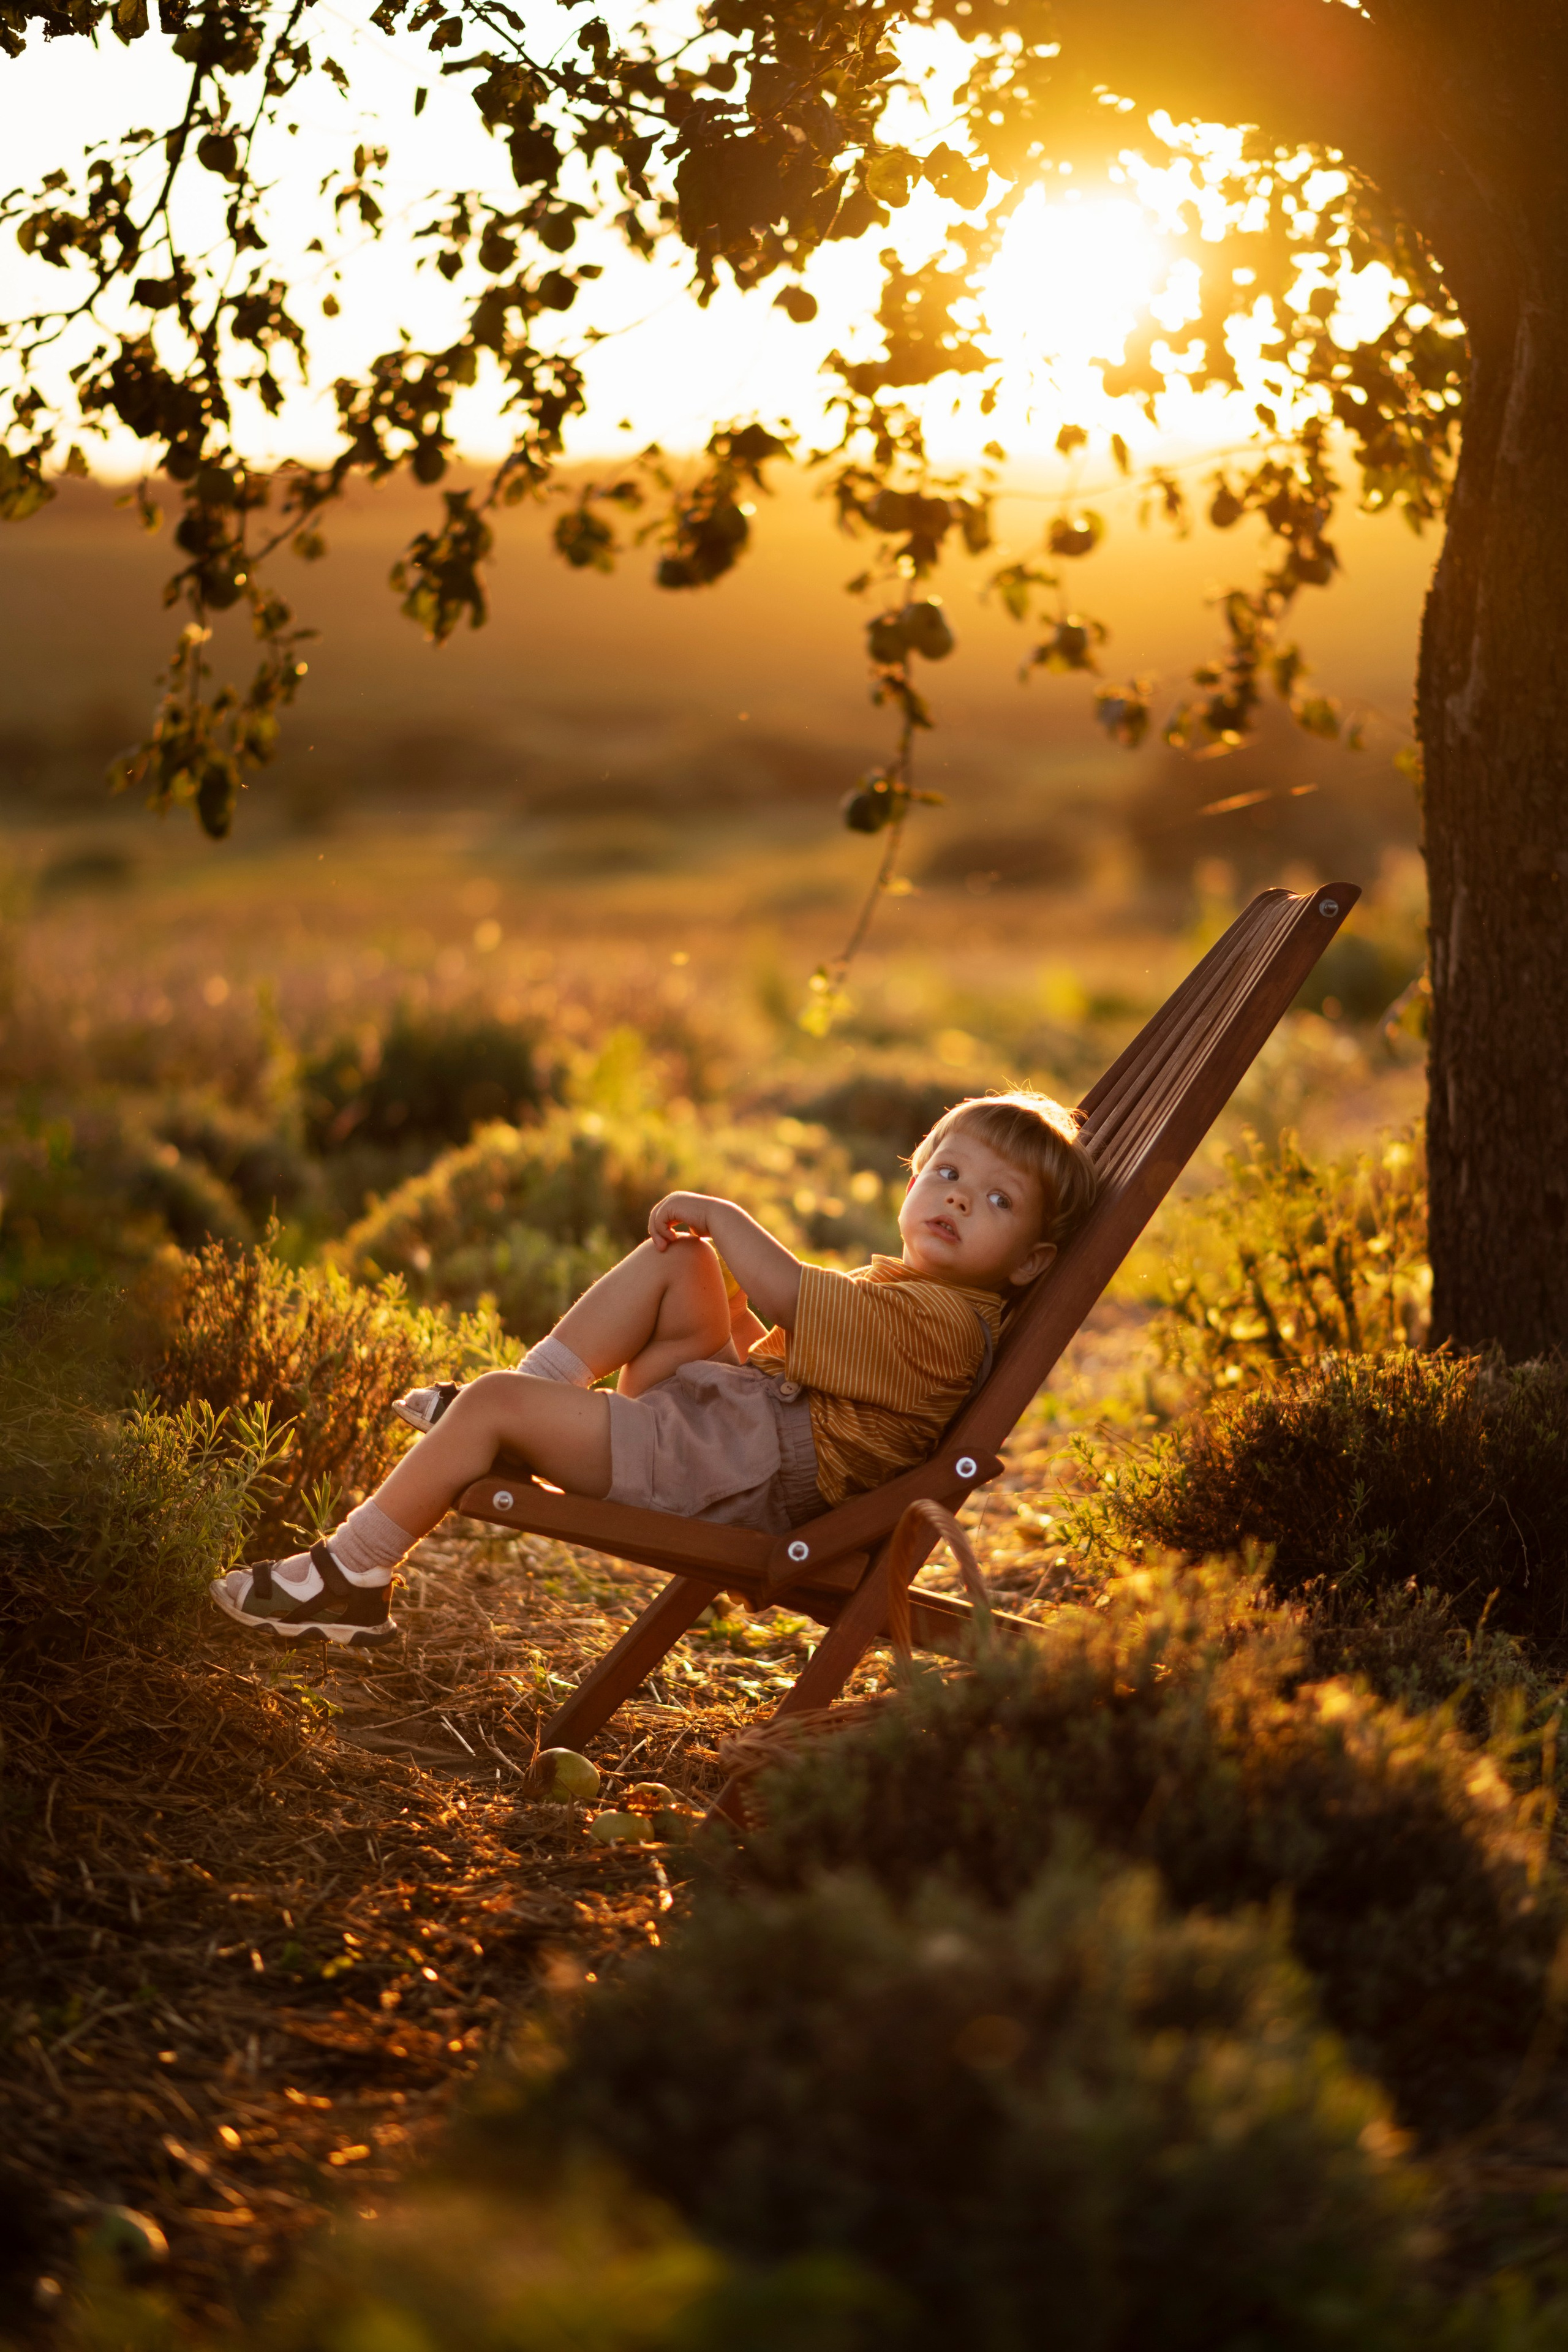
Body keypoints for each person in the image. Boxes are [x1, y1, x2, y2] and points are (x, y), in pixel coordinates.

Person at [209, 1090, 1098, 1647]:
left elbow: (791, 1294)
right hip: (742, 1430)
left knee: (486, 1405)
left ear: (1028, 1262)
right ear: (912, 1176)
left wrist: (722, 1212)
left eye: (994, 1200)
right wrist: (724, 1277)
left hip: (740, 1478)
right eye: (946, 1171)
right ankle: (540, 1404)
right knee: (681, 1267)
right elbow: (796, 1352)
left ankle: (351, 1574)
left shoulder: (945, 1326)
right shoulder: (929, 1301)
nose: (954, 1197)